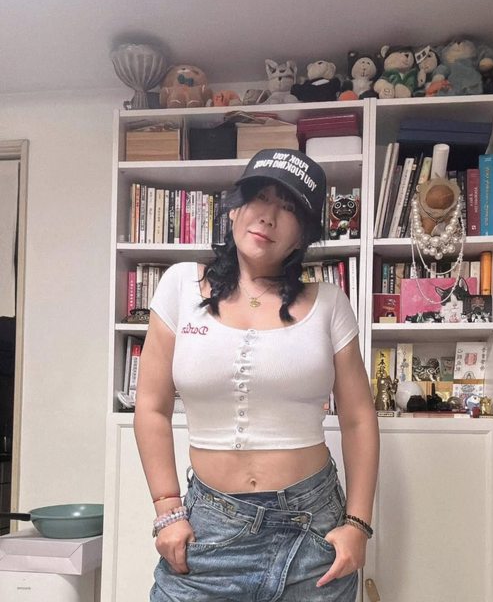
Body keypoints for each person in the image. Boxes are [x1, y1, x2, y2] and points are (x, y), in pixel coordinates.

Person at [134, 148, 379, 602]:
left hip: (313, 530)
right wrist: (167, 508)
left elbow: (359, 418)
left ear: (303, 235)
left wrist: (358, 524)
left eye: (288, 208)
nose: (268, 216)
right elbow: (151, 406)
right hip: (207, 529)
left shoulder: (329, 303)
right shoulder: (180, 286)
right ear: (234, 209)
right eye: (259, 198)